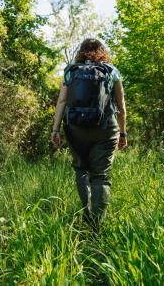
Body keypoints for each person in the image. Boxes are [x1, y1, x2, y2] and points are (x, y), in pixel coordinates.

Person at [51, 38, 127, 229]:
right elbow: (121, 106)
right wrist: (123, 133)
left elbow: (61, 102)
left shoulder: (71, 71)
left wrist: (55, 129)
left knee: (81, 170)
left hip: (75, 129)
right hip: (105, 129)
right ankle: (96, 226)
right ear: (102, 51)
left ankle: (86, 213)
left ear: (81, 52)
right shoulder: (111, 71)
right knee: (100, 176)